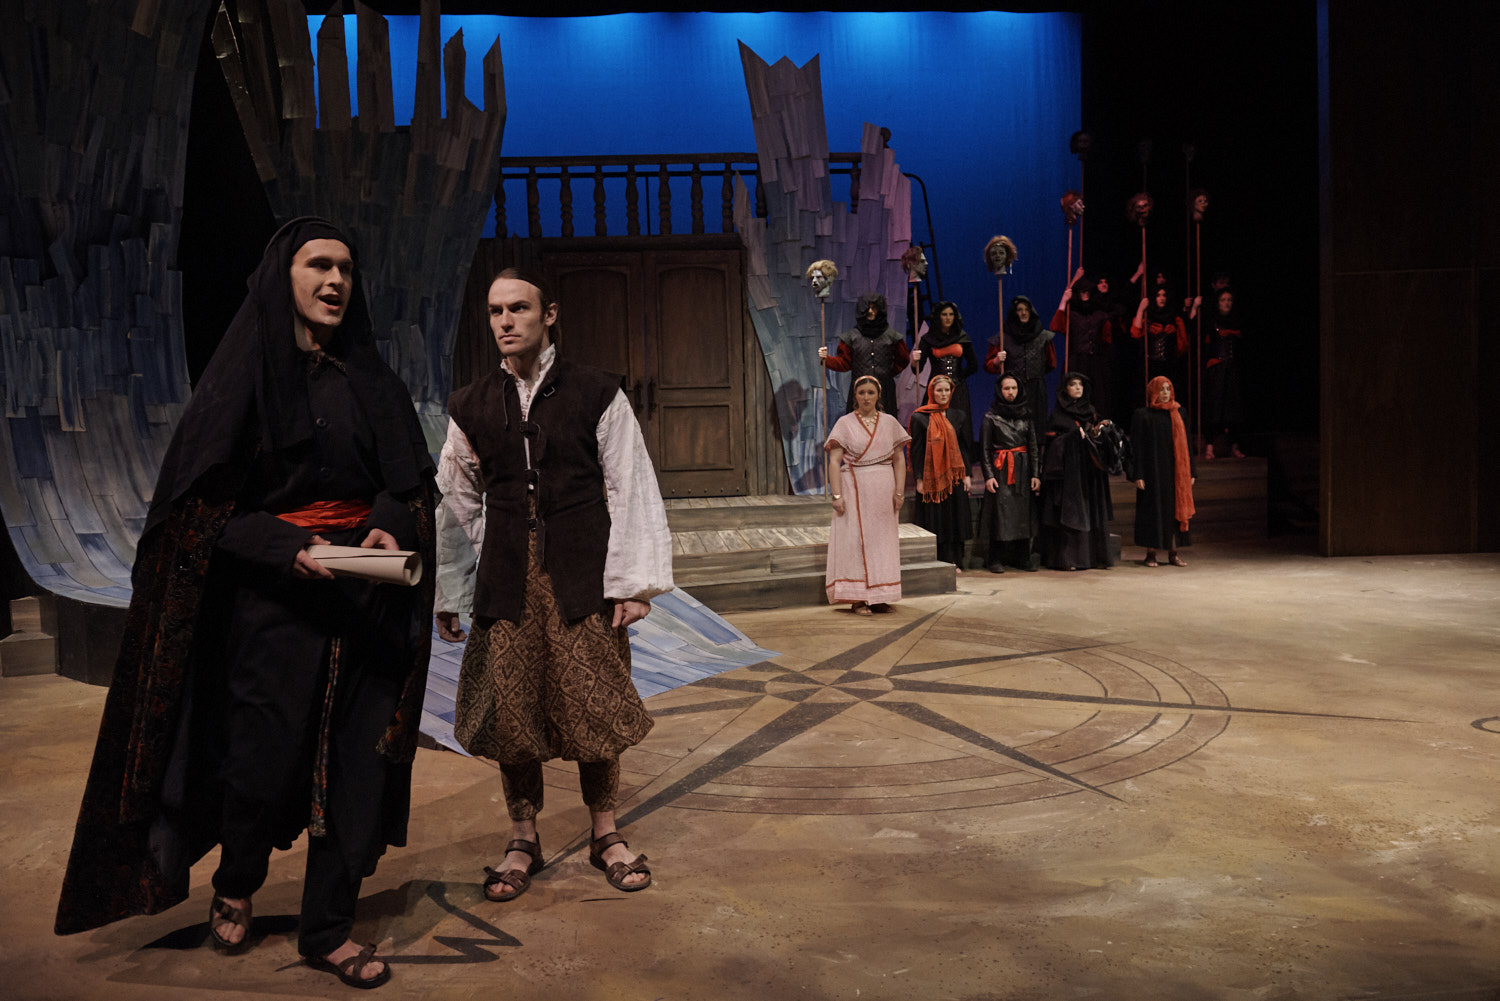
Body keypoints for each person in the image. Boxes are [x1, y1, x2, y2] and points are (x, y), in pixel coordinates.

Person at [54, 218, 438, 990]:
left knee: (357, 769)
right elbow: (197, 513)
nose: (335, 281)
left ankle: (327, 930)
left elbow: (409, 483)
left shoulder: (374, 380)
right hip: (273, 610)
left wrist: (386, 526)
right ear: (281, 278)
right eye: (318, 265)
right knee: (259, 764)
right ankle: (237, 877)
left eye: (345, 268)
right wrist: (283, 546)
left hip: (366, 608)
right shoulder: (244, 381)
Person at [434, 269, 672, 901]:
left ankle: (605, 832)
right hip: (508, 580)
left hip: (581, 575)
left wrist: (633, 583)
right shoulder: (471, 404)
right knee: (513, 712)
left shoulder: (597, 392)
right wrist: (454, 587)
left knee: (595, 706)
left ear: (549, 314)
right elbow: (456, 500)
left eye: (518, 308)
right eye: (495, 311)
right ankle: (522, 838)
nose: (505, 321)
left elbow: (629, 484)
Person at [825, 375, 910, 614]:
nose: (866, 397)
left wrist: (899, 492)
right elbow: (834, 461)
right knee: (855, 541)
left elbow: (899, 460)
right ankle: (858, 598)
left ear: (878, 395)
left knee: (882, 543)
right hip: (854, 487)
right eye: (861, 393)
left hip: (883, 489)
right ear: (855, 396)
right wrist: (837, 495)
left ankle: (879, 595)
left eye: (870, 392)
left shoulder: (889, 422)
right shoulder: (845, 423)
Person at [1039, 372, 1117, 571]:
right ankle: (1069, 560)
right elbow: (1052, 443)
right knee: (1071, 513)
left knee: (1091, 510)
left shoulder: (1091, 412)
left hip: (1090, 471)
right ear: (1065, 389)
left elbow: (1098, 438)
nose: (1077, 388)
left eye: (1080, 384)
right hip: (1068, 474)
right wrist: (1072, 437)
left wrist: (1100, 430)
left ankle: (1093, 558)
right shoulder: (1058, 415)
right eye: (1073, 384)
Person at [1129, 376, 1197, 566]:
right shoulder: (1143, 415)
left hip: (1176, 472)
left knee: (1174, 510)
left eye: (1168, 389)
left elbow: (1187, 444)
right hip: (1152, 472)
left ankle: (1173, 554)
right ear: (1153, 392)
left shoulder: (1179, 412)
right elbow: (1137, 447)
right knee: (1153, 511)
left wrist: (1191, 471)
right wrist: (1138, 474)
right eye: (1161, 389)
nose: (1165, 393)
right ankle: (1151, 554)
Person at [908, 375, 973, 570]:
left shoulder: (959, 416)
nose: (943, 394)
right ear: (931, 392)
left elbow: (964, 447)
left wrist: (967, 474)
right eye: (939, 390)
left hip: (954, 477)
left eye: (947, 390)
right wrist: (919, 479)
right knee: (936, 518)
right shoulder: (920, 417)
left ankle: (956, 560)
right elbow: (916, 451)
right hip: (932, 478)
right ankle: (939, 560)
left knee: (955, 517)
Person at [978, 373, 1041, 573]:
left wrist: (1035, 474)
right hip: (1001, 470)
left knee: (1023, 513)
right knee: (1000, 514)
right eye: (1007, 388)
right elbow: (985, 449)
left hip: (1023, 469)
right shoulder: (990, 417)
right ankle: (995, 558)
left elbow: (1033, 447)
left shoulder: (1026, 416)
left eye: (1014, 388)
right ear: (1000, 391)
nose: (1011, 392)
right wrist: (989, 476)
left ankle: (1022, 557)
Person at [819, 292, 910, 416]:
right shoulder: (851, 337)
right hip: (860, 390)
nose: (871, 311)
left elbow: (903, 359)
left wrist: (887, 373)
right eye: (868, 308)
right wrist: (826, 359)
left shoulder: (892, 336)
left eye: (874, 308)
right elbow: (844, 363)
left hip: (884, 390)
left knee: (885, 423)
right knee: (857, 424)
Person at [910, 301, 979, 460]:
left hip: (958, 391)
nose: (948, 318)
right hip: (936, 389)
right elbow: (917, 370)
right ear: (938, 317)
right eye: (944, 314)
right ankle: (935, 461)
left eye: (951, 314)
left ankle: (961, 463)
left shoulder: (962, 337)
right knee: (934, 425)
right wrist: (914, 361)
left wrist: (959, 378)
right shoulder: (928, 339)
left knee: (960, 426)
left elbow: (973, 365)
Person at [983, 295, 1056, 428]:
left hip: (1036, 391)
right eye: (1019, 310)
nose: (1023, 313)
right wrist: (997, 361)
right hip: (1012, 391)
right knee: (1013, 428)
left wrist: (1035, 372)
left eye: (1027, 309)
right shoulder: (1003, 337)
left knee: (1037, 426)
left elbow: (1051, 363)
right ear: (1014, 312)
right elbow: (988, 365)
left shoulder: (1043, 336)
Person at [1054, 271, 1115, 419]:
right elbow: (1056, 326)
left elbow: (1107, 337)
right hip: (1076, 360)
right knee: (1074, 392)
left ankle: (1098, 424)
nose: (1085, 295)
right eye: (1082, 292)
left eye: (1088, 292)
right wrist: (1064, 301)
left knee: (1097, 394)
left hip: (1095, 361)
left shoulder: (1099, 314)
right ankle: (1072, 422)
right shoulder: (1072, 314)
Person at [1129, 286, 1194, 407]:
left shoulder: (1174, 317)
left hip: (1169, 366)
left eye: (1164, 295)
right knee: (1152, 397)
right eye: (1158, 295)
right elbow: (1135, 333)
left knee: (1168, 397)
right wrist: (1141, 308)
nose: (1162, 298)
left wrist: (1191, 308)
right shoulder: (1148, 316)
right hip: (1151, 365)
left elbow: (1183, 343)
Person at [1202, 288, 1246, 459]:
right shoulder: (1211, 322)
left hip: (1232, 369)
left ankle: (1234, 446)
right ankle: (1209, 446)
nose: (1227, 303)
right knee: (1215, 407)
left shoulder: (1237, 321)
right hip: (1217, 370)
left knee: (1234, 408)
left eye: (1229, 300)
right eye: (1223, 300)